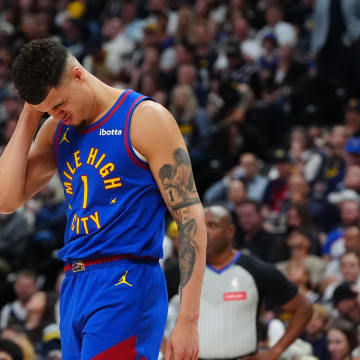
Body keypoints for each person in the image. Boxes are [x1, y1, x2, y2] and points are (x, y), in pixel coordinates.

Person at [1, 38, 207, 360]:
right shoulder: (56, 129)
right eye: (49, 110)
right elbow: (5, 199)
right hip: (74, 281)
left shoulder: (144, 118)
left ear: (79, 75)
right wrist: (31, 112)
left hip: (126, 279)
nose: (58, 114)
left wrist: (188, 318)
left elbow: (190, 214)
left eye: (60, 104)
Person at [165, 205, 312, 359]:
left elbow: (304, 308)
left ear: (230, 232)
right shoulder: (179, 272)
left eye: (212, 226)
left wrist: (274, 352)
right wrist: (164, 347)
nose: (205, 232)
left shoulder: (256, 270)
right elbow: (146, 310)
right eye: (200, 226)